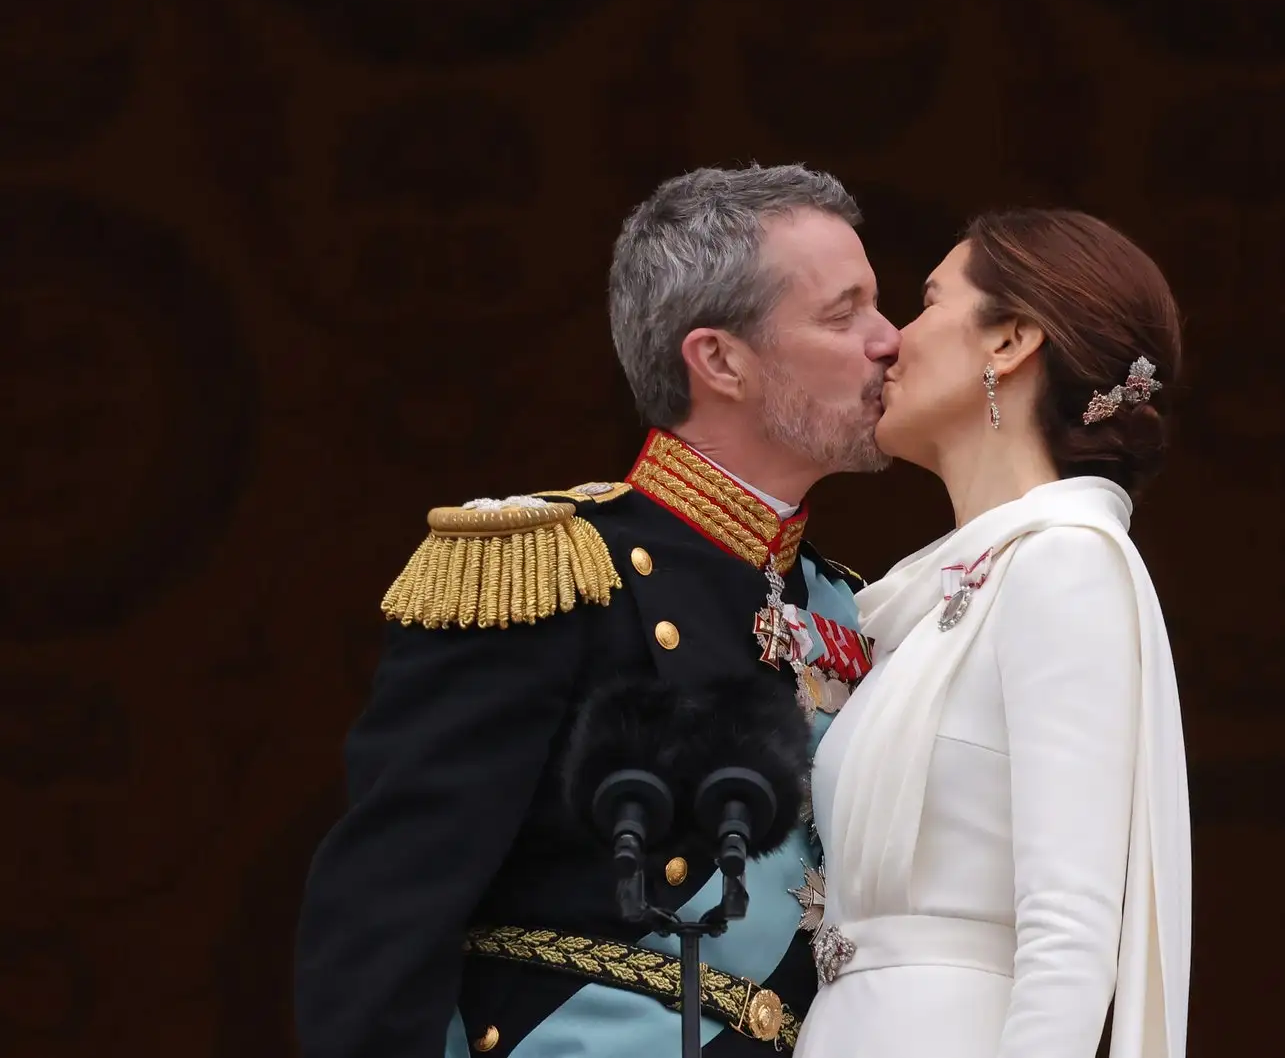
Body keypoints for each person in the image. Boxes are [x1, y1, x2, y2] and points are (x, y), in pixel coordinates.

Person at [294, 164, 900, 1058]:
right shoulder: (548, 569)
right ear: (720, 359)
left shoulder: (840, 599)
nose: (889, 340)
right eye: (843, 313)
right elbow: (384, 910)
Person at [793, 209, 1192, 1058]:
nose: (893, 340)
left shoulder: (1065, 566)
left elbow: (1069, 935)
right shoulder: (922, 601)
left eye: (928, 302)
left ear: (1010, 340)